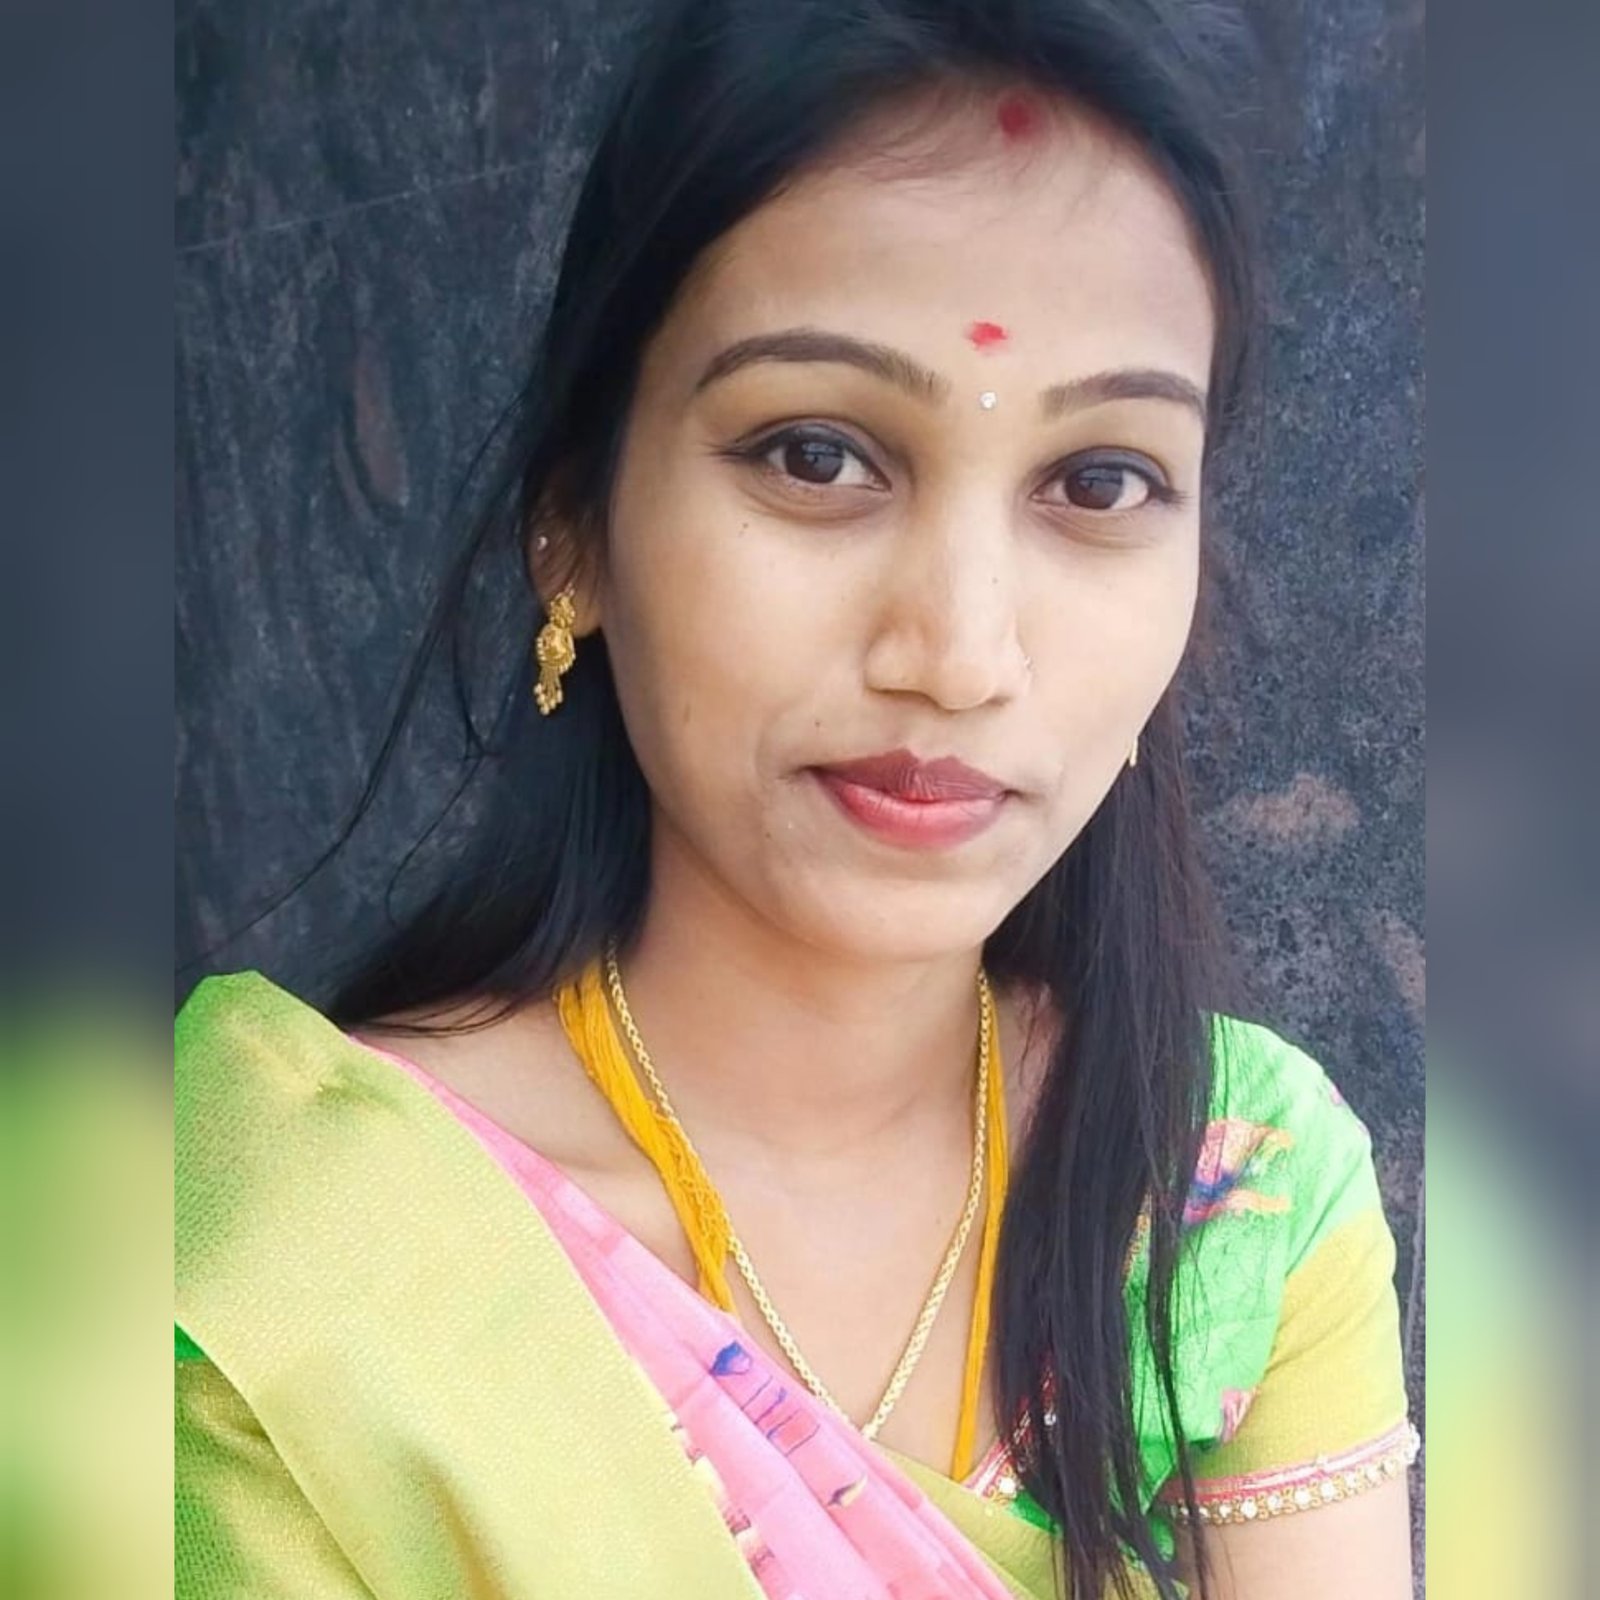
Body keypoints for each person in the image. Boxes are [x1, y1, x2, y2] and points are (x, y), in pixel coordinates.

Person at [175, 1, 1418, 1594]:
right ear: (575, 528)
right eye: (817, 456)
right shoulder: (303, 1273)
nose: (960, 654)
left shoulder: (1232, 1195)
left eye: (1100, 482)